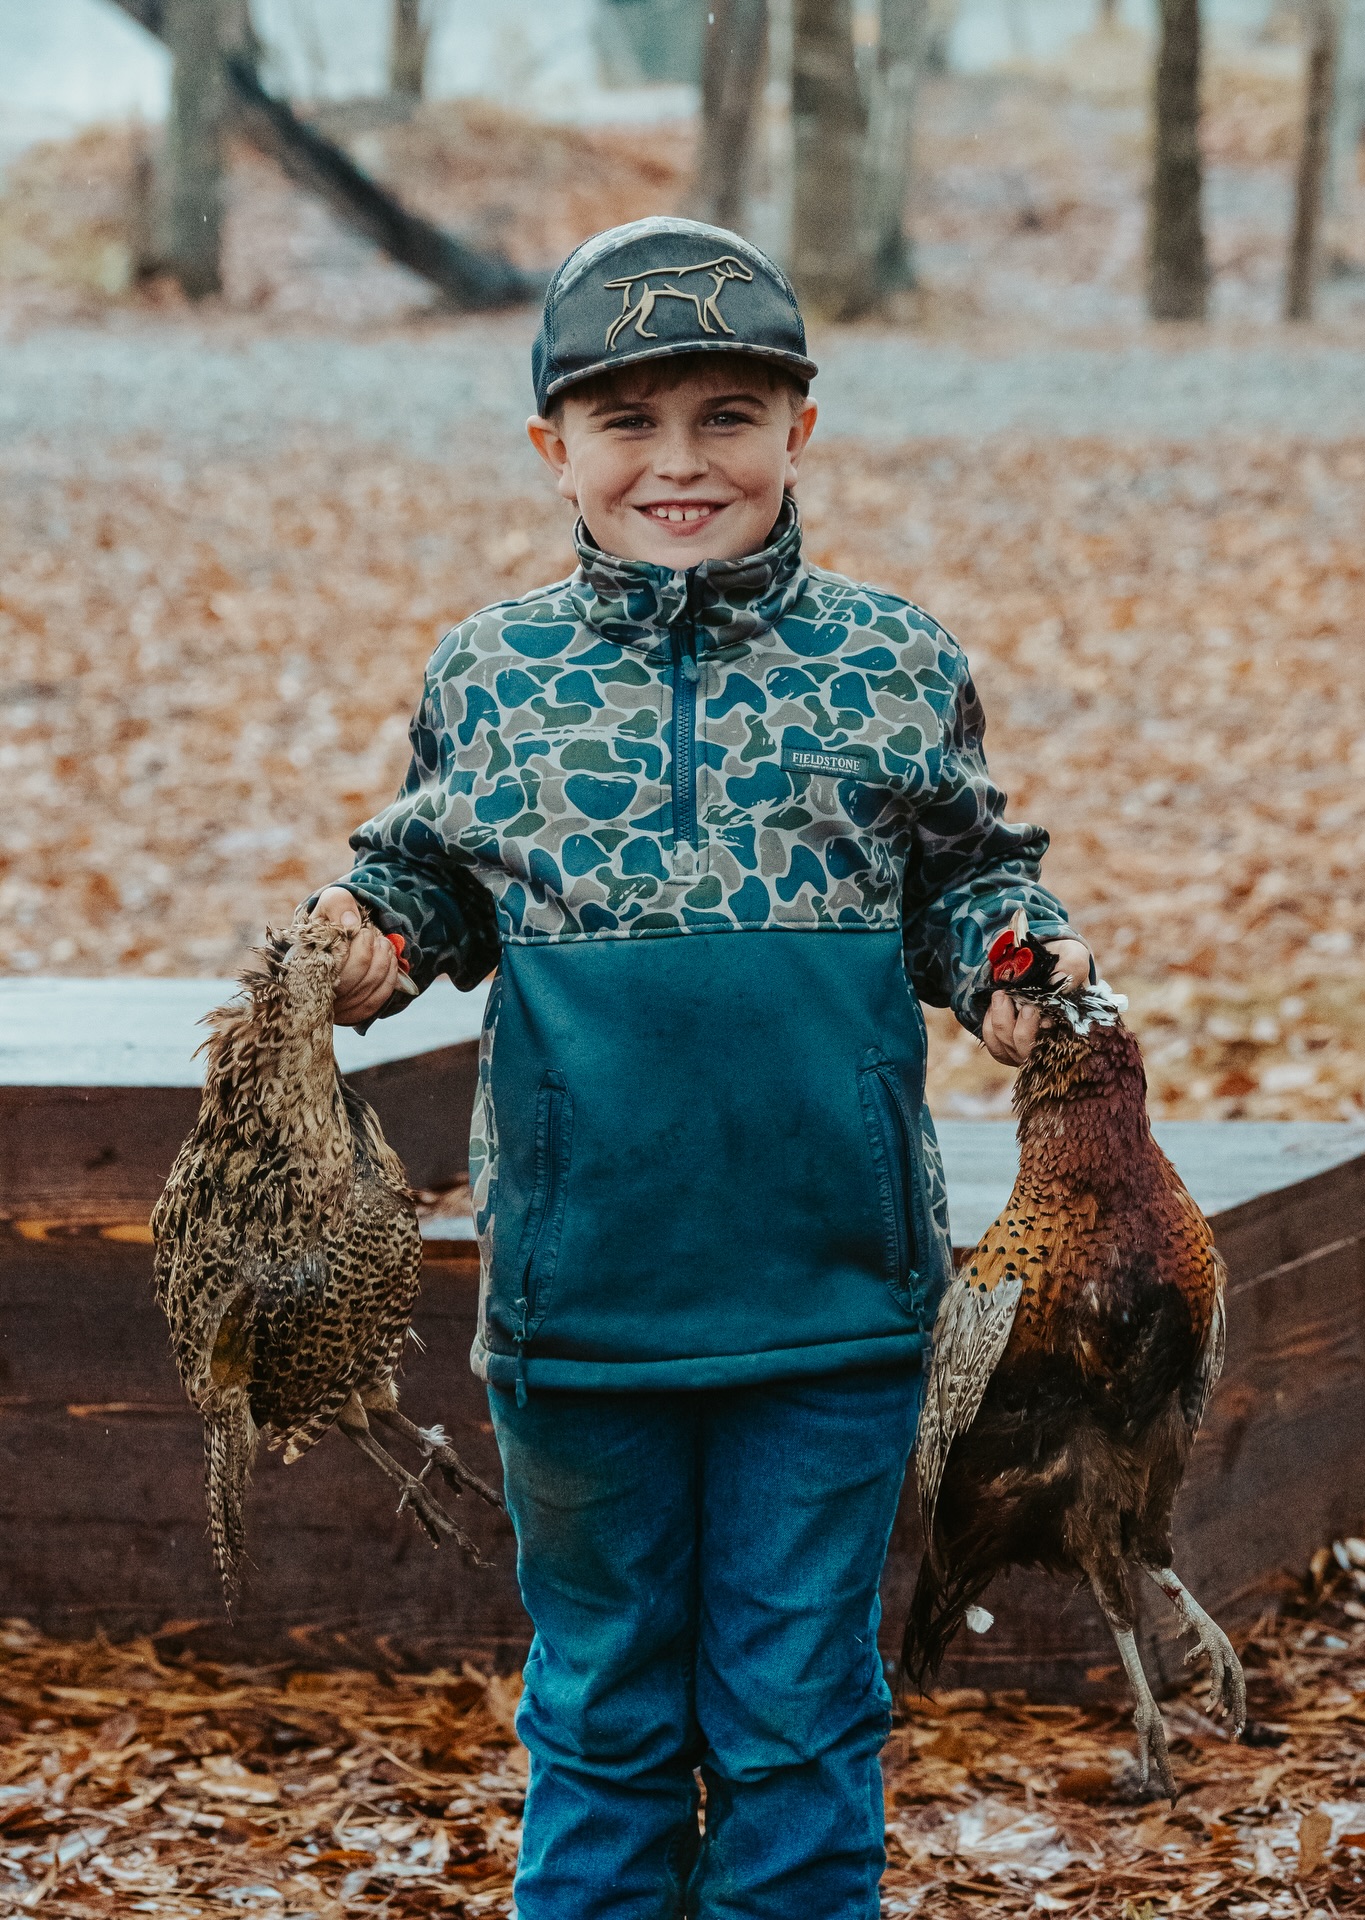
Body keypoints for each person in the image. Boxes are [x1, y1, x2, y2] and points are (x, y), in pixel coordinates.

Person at [307, 217, 1090, 1919]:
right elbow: (426, 870)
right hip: (583, 1308)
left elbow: (966, 874)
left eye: (729, 415)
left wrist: (1014, 972)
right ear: (554, 449)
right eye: (629, 422)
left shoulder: (889, 658)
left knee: (802, 1714)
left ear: (800, 428)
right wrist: (362, 940)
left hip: (835, 1296)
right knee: (600, 1713)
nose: (681, 462)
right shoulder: (494, 671)